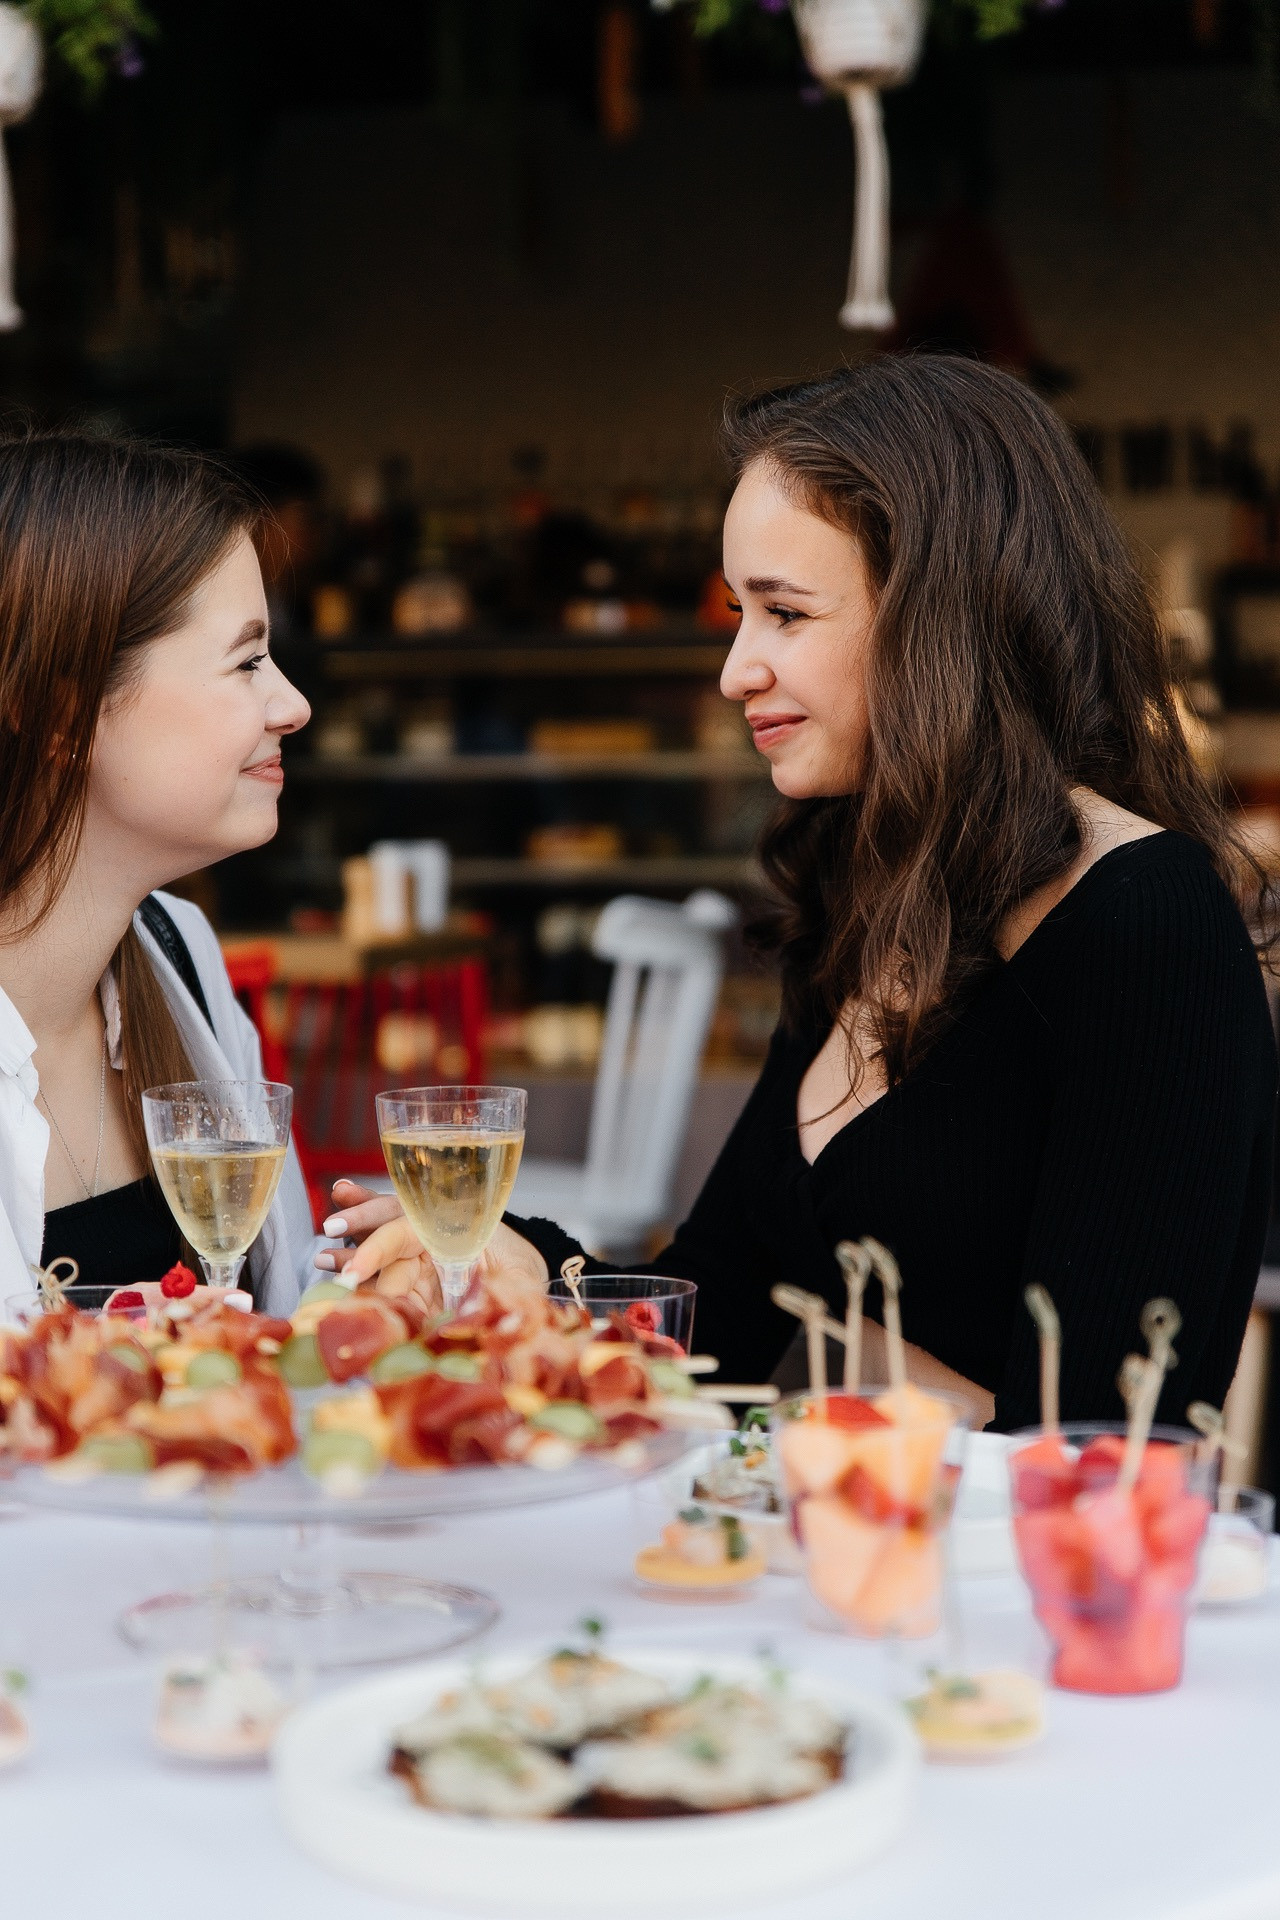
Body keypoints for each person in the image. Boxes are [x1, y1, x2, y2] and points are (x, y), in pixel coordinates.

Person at [330, 357, 1277, 1432]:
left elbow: (1105, 1444)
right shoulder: (865, 892)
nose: (736, 668)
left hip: (989, 1587)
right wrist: (529, 1275)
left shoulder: (1142, 926)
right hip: (840, 1564)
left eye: (783, 613)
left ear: (942, 616)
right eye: (739, 613)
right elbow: (715, 1318)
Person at [0, 430, 317, 1313]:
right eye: (247, 661)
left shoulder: (181, 957)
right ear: (65, 717)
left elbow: (277, 1316)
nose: (292, 705)